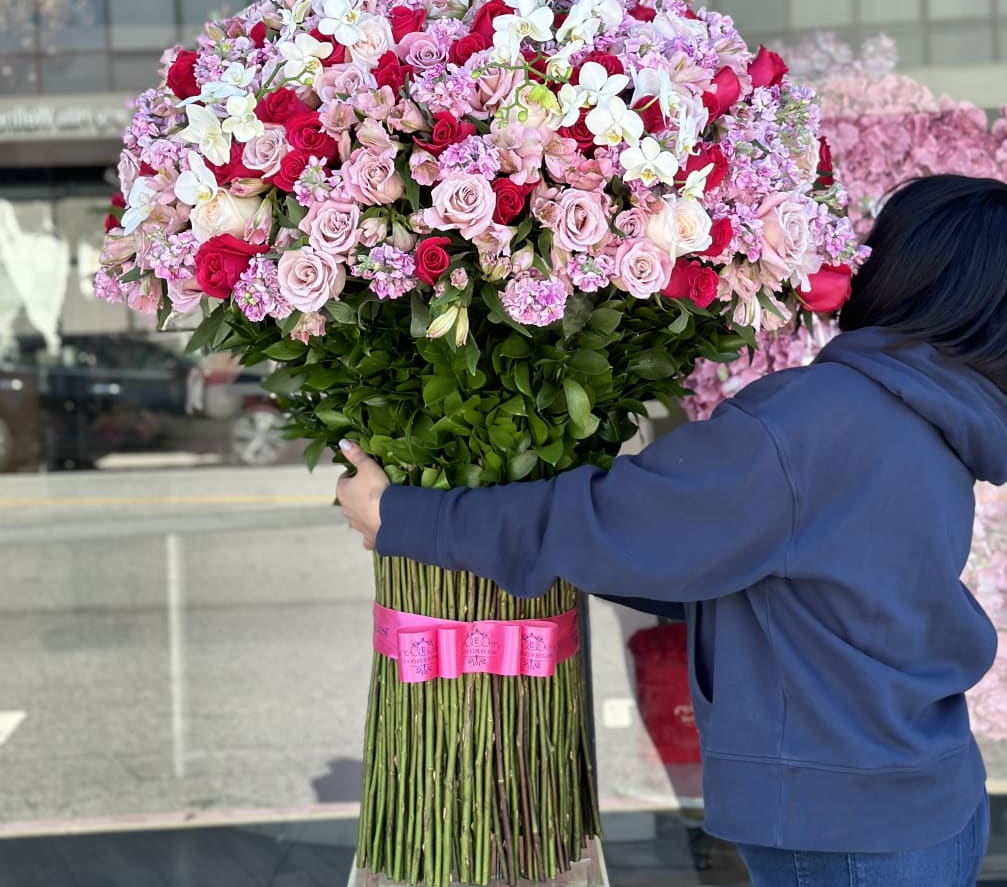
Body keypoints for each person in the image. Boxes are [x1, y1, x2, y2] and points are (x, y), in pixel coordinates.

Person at [336, 173, 1007, 887]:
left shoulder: (821, 419)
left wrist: (404, 517)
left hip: (845, 824)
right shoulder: (941, 415)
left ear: (912, 271)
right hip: (918, 793)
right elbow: (764, 566)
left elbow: (618, 525)